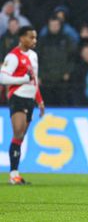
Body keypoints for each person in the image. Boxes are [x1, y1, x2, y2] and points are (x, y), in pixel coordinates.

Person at [0, 26, 44, 184]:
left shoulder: (34, 56)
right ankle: (13, 174)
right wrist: (21, 80)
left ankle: (15, 174)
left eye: (35, 37)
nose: (34, 40)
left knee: (20, 137)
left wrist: (40, 100)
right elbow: (3, 78)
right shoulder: (13, 56)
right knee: (18, 132)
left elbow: (34, 79)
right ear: (21, 38)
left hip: (30, 98)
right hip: (17, 97)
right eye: (31, 37)